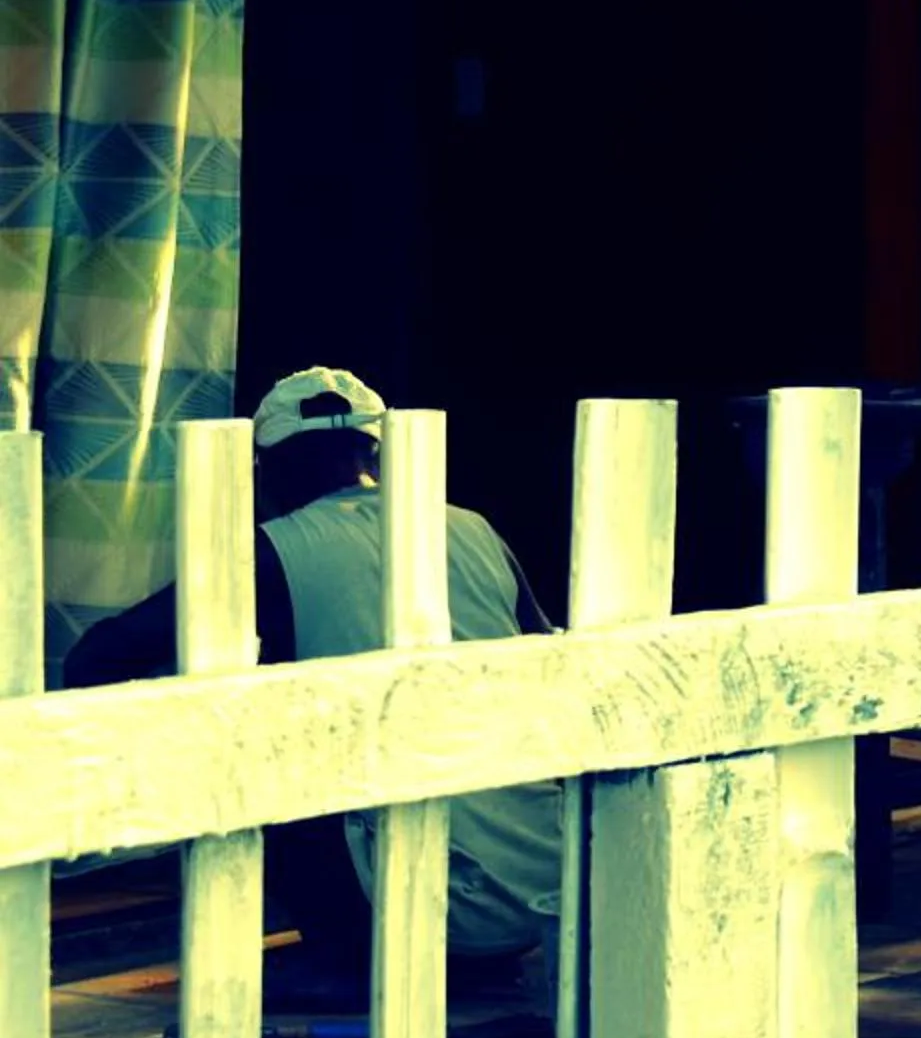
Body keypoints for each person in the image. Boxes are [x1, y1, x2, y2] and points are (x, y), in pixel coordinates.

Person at [64, 367, 562, 1000]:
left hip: (414, 914)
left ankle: (347, 957)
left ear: (265, 469)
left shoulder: (274, 551)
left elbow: (93, 662)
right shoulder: (473, 528)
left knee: (256, 726)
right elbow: (551, 669)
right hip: (538, 897)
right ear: (373, 452)